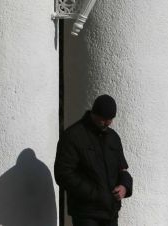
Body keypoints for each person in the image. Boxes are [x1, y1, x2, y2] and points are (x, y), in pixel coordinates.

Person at [54, 94, 133, 226]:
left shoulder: (113, 137)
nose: (107, 123)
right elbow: (63, 174)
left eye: (110, 119)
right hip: (86, 213)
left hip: (111, 212)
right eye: (103, 119)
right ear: (94, 113)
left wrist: (125, 186)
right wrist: (94, 194)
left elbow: (123, 169)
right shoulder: (73, 136)